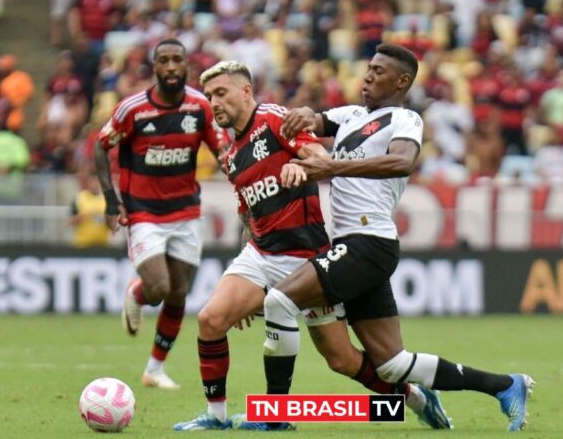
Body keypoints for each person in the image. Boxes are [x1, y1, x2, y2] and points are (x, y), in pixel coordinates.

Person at [263, 44, 535, 432]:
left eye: (378, 71)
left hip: (367, 243)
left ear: (402, 80)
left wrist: (331, 167)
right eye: (368, 68)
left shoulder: (405, 119)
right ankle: (506, 385)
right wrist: (305, 115)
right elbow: (316, 120)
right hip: (355, 247)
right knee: (391, 363)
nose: (368, 76)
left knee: (278, 302)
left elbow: (401, 162)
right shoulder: (353, 115)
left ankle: (273, 419)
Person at [172, 61, 451, 432]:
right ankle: (219, 416)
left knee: (343, 360)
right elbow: (248, 213)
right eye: (209, 97)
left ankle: (413, 396)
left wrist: (303, 166)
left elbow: (319, 156)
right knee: (210, 320)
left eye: (220, 93)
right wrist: (243, 279)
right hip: (261, 252)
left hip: (307, 257)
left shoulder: (274, 119)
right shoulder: (229, 153)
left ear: (245, 92)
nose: (214, 103)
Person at [94, 38, 228, 390]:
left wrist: (245, 181)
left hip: (186, 211)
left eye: (177, 60)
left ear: (187, 66)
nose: (171, 67)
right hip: (144, 213)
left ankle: (154, 369)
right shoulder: (133, 109)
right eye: (164, 60)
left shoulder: (200, 107)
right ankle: (138, 294)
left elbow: (223, 153)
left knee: (179, 293)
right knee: (159, 286)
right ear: (154, 67)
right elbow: (100, 145)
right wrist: (111, 200)